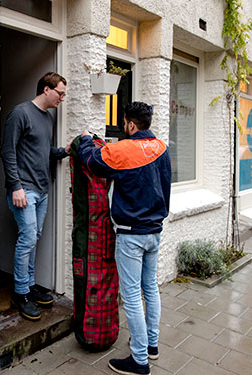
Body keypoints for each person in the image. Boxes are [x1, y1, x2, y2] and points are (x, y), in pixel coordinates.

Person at [77, 102, 171, 375]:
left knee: (131, 296)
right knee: (150, 289)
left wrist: (85, 139)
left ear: (130, 124)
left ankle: (139, 360)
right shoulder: (162, 147)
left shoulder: (122, 149)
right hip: (155, 231)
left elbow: (91, 161)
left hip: (131, 235)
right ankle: (151, 345)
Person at [1, 72, 71, 321]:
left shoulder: (47, 118)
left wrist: (64, 151)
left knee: (33, 238)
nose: (62, 98)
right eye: (60, 93)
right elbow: (8, 151)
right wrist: (15, 186)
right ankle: (20, 293)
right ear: (46, 89)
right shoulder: (20, 113)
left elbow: (42, 151)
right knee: (28, 237)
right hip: (24, 189)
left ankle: (29, 285)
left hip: (42, 190)